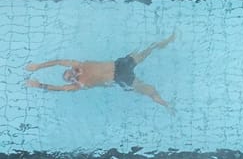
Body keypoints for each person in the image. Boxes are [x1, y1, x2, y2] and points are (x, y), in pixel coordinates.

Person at [24, 33, 177, 112]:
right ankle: (167, 105)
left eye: (69, 72)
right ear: (71, 81)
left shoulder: (79, 64)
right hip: (120, 78)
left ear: (70, 69)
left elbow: (57, 62)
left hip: (120, 63)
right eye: (69, 78)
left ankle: (167, 41)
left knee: (148, 49)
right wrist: (39, 85)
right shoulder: (79, 84)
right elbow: (59, 89)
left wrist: (38, 66)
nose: (71, 75)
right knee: (150, 91)